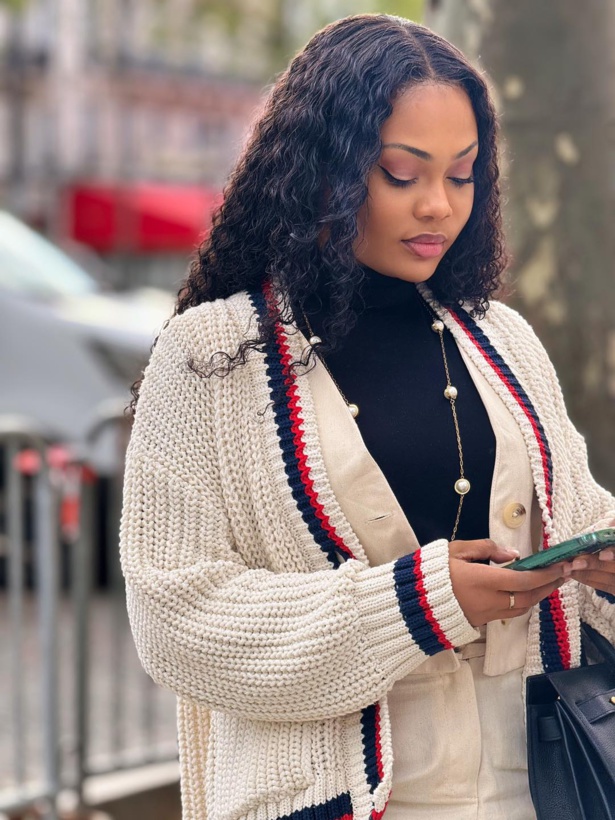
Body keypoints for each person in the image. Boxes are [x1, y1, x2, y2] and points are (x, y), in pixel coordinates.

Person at [120, 14, 615, 820]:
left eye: (462, 175)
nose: (438, 206)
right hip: (332, 799)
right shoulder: (212, 355)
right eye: (401, 174)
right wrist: (414, 604)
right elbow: (176, 621)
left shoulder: (502, 340)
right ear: (324, 168)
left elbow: (580, 530)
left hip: (539, 787)